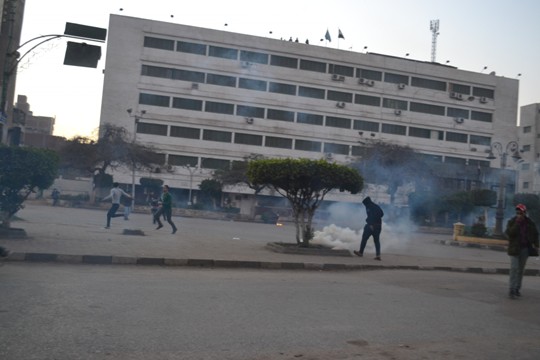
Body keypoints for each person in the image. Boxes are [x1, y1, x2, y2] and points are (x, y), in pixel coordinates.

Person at [504, 203, 539, 299]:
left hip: (525, 249)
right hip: (514, 248)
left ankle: (517, 288)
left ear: (524, 212)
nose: (519, 214)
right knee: (514, 268)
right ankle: (511, 289)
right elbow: (510, 233)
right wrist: (517, 223)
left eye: (520, 212)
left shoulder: (529, 223)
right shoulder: (512, 222)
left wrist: (537, 245)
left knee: (520, 270)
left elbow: (535, 234)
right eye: (517, 212)